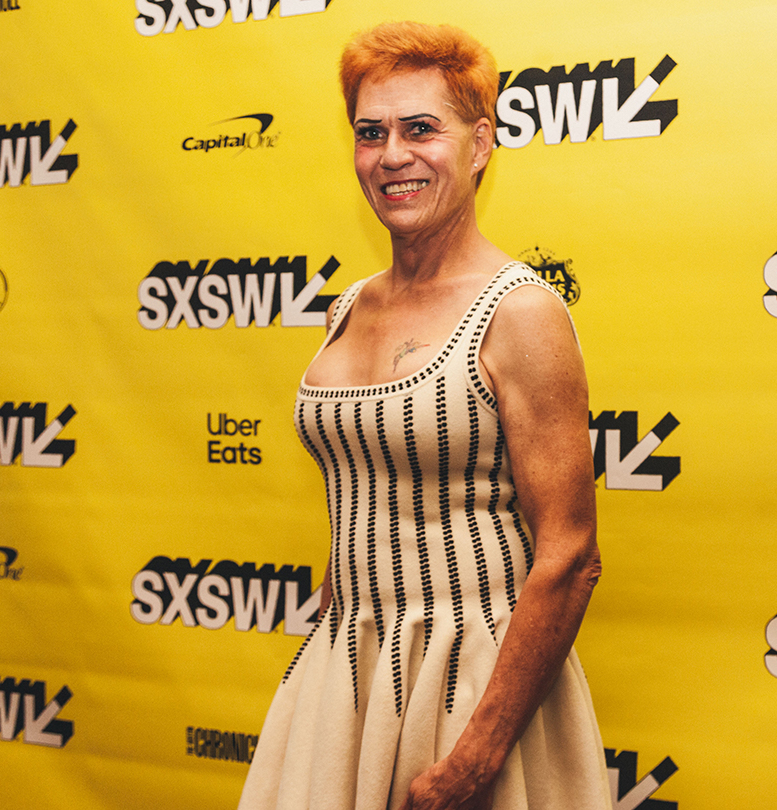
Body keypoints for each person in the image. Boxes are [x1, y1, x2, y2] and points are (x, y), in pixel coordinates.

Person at [237, 21, 611, 810]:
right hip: (349, 676)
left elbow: (571, 555)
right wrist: (323, 673)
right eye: (370, 133)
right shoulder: (348, 305)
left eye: (420, 129)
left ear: (480, 144)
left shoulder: (521, 312)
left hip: (476, 685)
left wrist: (475, 758)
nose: (392, 156)